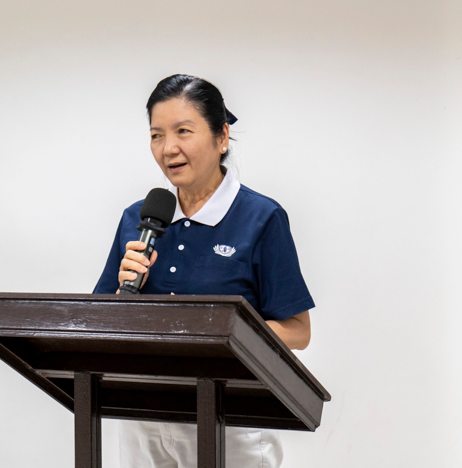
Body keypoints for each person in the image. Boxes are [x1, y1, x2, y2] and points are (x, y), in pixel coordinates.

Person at [94, 74, 314, 468]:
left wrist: (223, 334)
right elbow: (99, 323)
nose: (168, 148)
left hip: (230, 418)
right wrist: (122, 294)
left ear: (221, 136)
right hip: (143, 415)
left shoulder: (261, 218)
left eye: (183, 131)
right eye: (156, 135)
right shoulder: (140, 217)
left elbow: (298, 331)